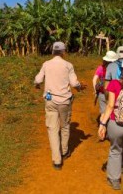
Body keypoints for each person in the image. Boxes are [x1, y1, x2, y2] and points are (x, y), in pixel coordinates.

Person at [34, 41, 84, 170]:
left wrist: (37, 84)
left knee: (52, 129)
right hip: (64, 101)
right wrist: (79, 87)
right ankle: (64, 151)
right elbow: (74, 83)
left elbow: (38, 80)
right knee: (65, 126)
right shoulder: (68, 65)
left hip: (50, 101)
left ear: (52, 51)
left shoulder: (46, 64)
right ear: (63, 52)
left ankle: (57, 160)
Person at [98, 72, 123, 190]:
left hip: (116, 124)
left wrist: (102, 123)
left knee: (115, 150)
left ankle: (114, 179)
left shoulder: (114, 83)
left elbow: (110, 105)